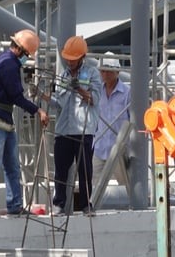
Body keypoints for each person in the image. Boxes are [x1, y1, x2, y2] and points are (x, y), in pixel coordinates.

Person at [0, 29, 49, 216]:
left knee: (12, 165)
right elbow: (17, 96)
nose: (26, 59)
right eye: (27, 55)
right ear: (21, 51)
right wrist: (38, 109)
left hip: (0, 119)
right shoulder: (9, 65)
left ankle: (15, 205)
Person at [41, 36, 102, 216]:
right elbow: (58, 103)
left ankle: (86, 205)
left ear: (82, 57)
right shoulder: (63, 75)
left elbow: (95, 99)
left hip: (84, 130)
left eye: (73, 58)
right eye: (68, 58)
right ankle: (59, 204)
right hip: (63, 130)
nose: (70, 61)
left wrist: (80, 89)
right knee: (60, 170)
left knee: (84, 170)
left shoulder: (92, 73)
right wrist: (42, 96)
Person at [92, 52, 131, 192]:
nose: (105, 74)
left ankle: (131, 210)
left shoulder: (127, 93)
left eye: (108, 71)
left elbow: (133, 120)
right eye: (102, 71)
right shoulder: (98, 91)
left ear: (117, 72)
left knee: (126, 186)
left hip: (119, 148)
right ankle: (94, 211)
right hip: (100, 147)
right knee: (95, 186)